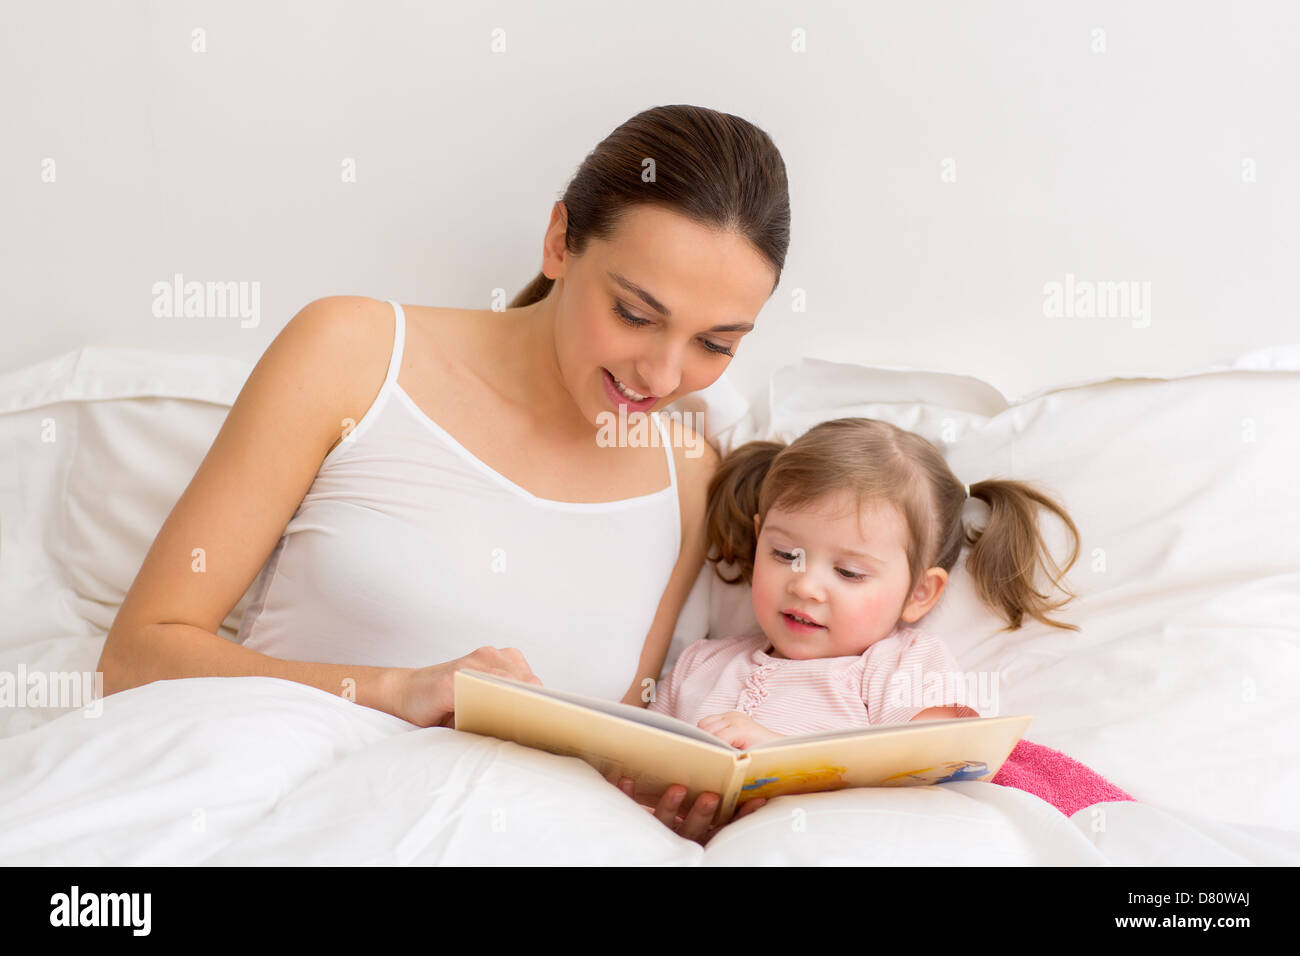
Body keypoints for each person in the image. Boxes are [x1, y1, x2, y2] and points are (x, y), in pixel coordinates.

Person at [95, 104, 790, 846]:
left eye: (714, 344)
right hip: (281, 814)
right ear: (560, 242)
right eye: (633, 313)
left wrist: (675, 789)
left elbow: (604, 752)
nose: (662, 374)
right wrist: (399, 691)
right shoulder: (353, 353)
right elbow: (137, 656)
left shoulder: (686, 477)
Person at [608, 417, 1081, 819]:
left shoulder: (901, 664)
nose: (805, 585)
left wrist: (781, 757)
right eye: (785, 553)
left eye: (849, 572)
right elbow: (633, 770)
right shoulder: (699, 665)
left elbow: (936, 774)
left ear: (920, 593)